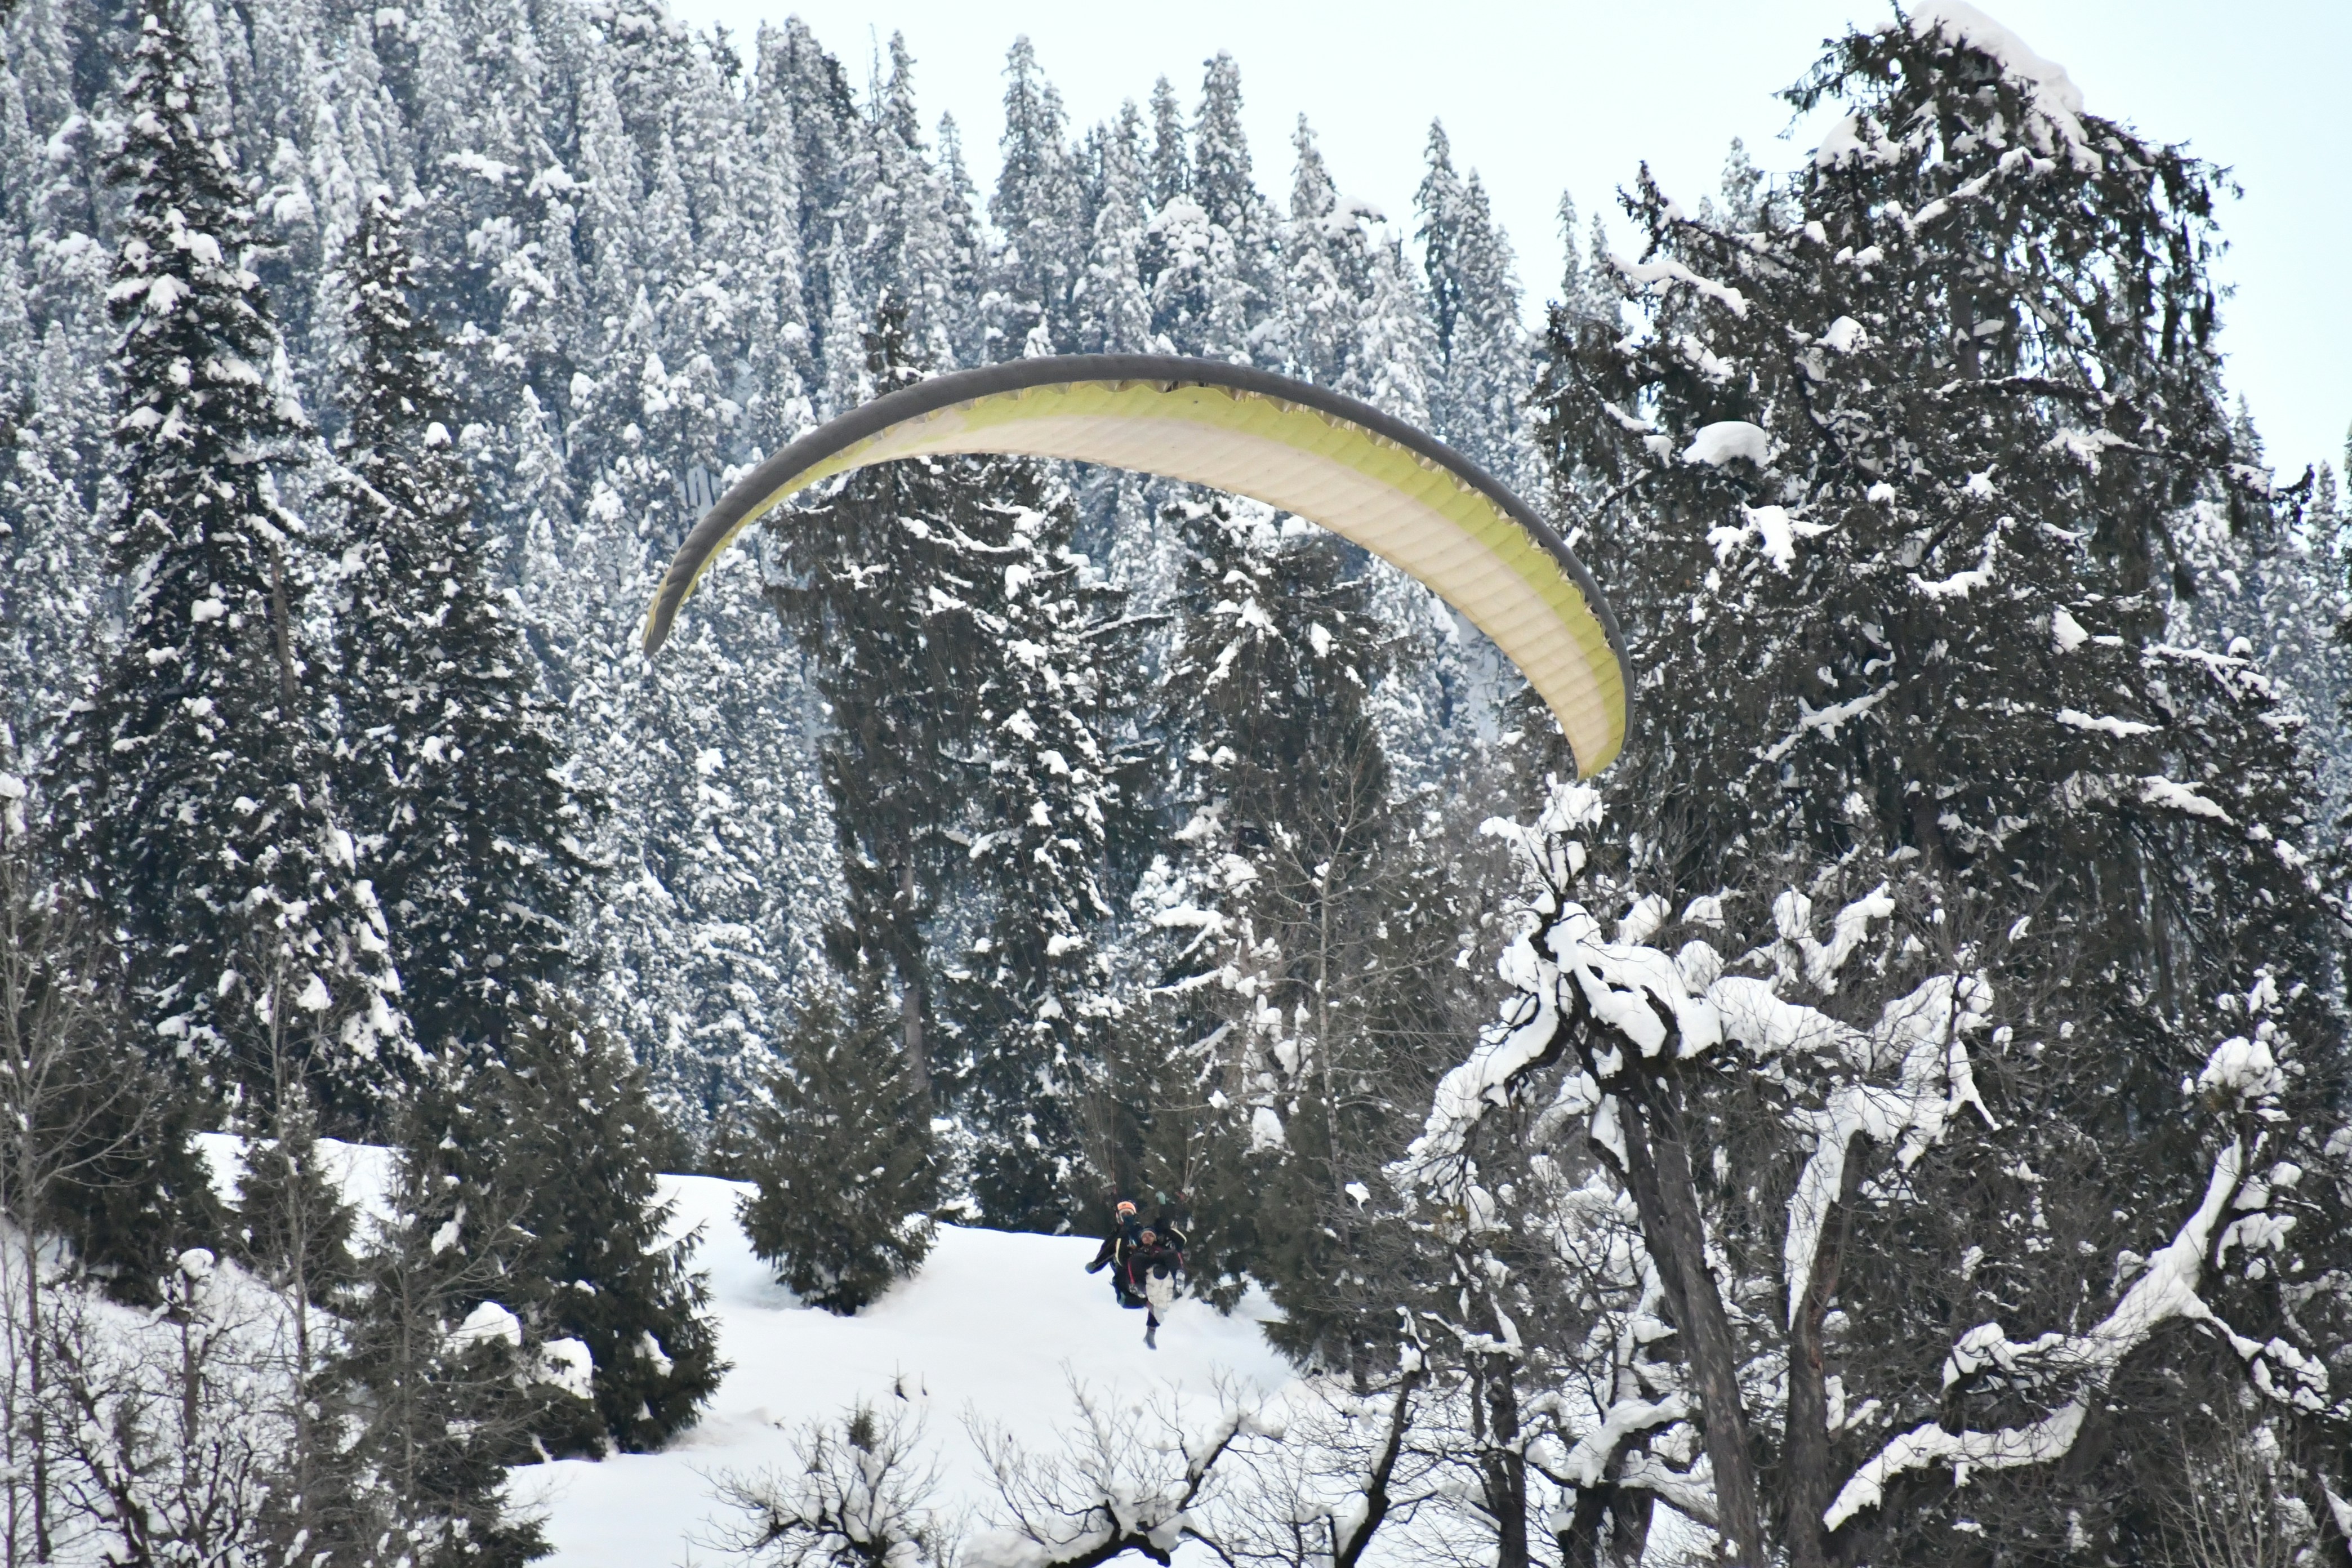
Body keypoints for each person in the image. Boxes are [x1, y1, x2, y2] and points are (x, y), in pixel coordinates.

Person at [1124, 1223, 1184, 1349]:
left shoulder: (1160, 1248)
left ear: (1155, 1238)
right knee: (1134, 1259)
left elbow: (1179, 1244)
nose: (1147, 1237)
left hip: (1159, 1266)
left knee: (1172, 1254)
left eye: (1150, 1235)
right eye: (1145, 1236)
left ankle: (1178, 1275)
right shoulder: (1137, 1250)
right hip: (1144, 1268)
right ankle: (1138, 1287)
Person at [1083, 1200, 1143, 1306]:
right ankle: (1128, 1298)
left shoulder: (1141, 1231)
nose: (1126, 1216)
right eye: (1123, 1214)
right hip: (1122, 1265)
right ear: (1118, 1217)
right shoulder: (1115, 1235)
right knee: (1119, 1280)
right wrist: (1095, 1265)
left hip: (1141, 1262)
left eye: (1129, 1214)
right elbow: (1105, 1253)